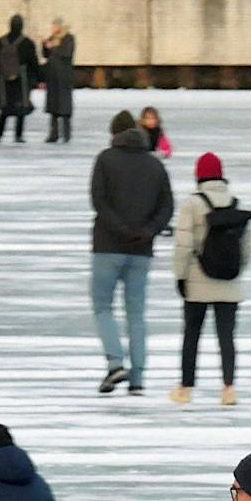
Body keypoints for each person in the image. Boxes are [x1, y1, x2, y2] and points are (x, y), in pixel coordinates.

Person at [90, 108, 175, 394]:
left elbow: (98, 201)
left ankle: (116, 363)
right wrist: (147, 231)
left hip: (107, 247)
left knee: (103, 307)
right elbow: (167, 206)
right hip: (142, 250)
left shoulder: (105, 159)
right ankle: (137, 377)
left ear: (114, 134)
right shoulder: (155, 165)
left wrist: (120, 229)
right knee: (136, 313)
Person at [171, 151, 251, 407]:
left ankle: (185, 388)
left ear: (199, 175)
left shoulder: (192, 204)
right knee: (227, 337)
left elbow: (183, 245)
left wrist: (180, 275)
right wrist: (236, 269)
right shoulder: (235, 204)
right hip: (230, 282)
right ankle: (229, 389)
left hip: (197, 280)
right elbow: (246, 247)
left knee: (191, 335)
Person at [0, 13, 40, 143]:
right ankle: (18, 135)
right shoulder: (27, 43)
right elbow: (33, 63)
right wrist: (36, 79)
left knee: (4, 108)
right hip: (21, 80)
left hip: (4, 80)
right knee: (20, 109)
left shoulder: (0, 42)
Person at [41, 19, 76, 143]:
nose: (53, 28)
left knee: (65, 109)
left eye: (55, 26)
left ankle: (66, 134)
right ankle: (53, 134)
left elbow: (67, 53)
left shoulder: (69, 38)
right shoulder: (52, 38)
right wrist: (44, 45)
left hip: (64, 79)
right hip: (53, 79)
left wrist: (54, 47)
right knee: (53, 109)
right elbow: (45, 55)